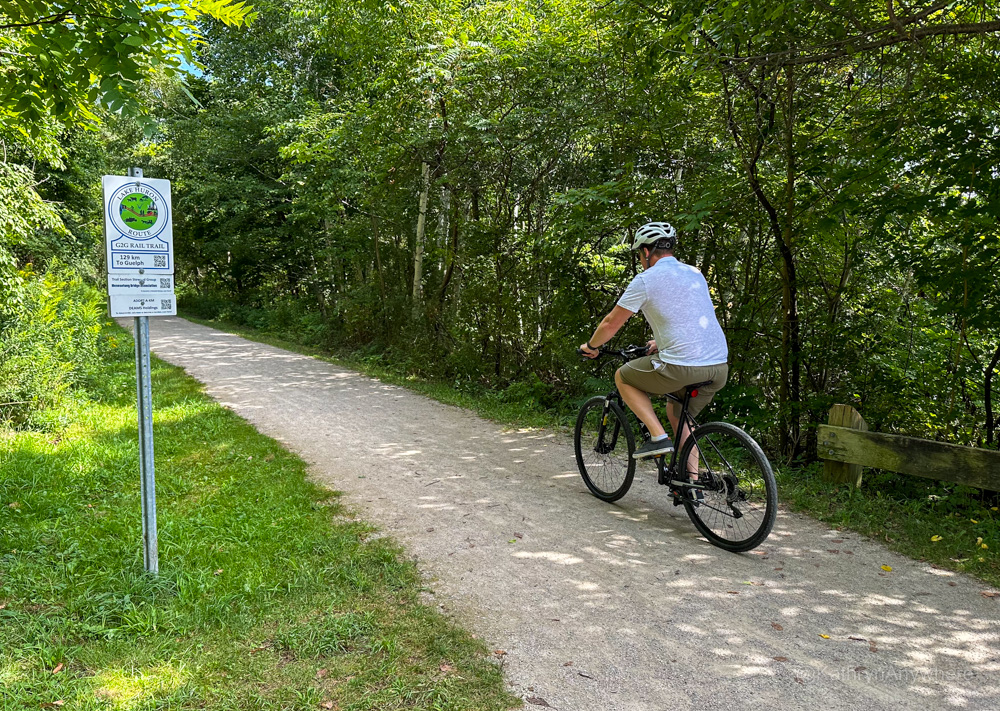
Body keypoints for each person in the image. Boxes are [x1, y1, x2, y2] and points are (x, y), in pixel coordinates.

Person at [579, 222, 729, 466]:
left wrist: (592, 346)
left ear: (646, 252)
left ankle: (658, 437)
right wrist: (660, 341)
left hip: (682, 366)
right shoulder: (694, 273)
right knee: (679, 414)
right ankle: (691, 485)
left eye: (639, 254)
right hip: (718, 366)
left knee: (623, 377)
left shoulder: (646, 280)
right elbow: (689, 317)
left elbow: (610, 324)